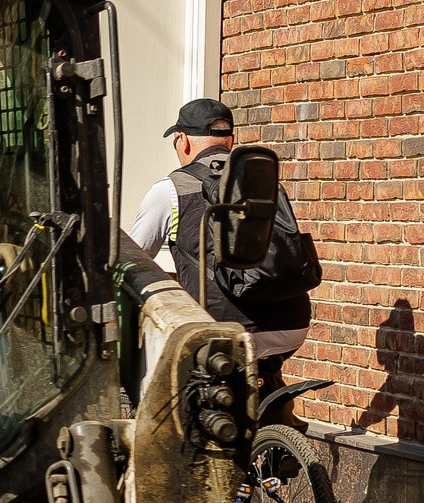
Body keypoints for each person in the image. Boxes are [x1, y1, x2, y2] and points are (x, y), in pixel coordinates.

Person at [124, 99, 319, 386]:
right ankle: (274, 419)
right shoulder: (264, 182)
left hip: (221, 330)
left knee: (170, 385)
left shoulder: (170, 189)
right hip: (291, 324)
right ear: (231, 141)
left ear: (183, 141)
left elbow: (134, 259)